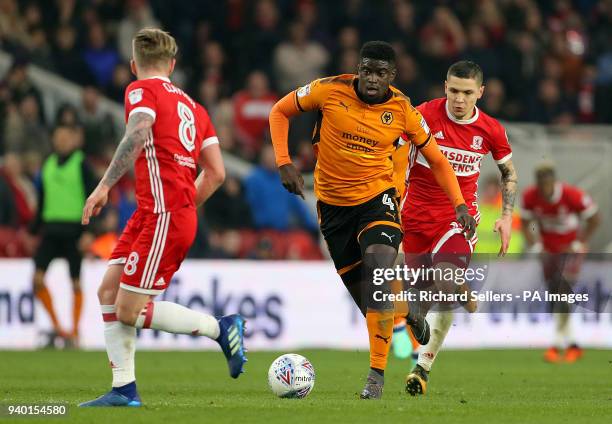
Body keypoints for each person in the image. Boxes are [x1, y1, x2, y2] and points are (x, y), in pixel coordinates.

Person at [269, 41, 474, 399]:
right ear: (358, 68)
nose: (372, 79)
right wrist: (283, 161)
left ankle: (375, 379)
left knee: (379, 269)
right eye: (367, 70)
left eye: (381, 73)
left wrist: (459, 204)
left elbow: (437, 160)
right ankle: (408, 307)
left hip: (377, 202)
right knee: (372, 303)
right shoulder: (328, 90)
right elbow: (278, 111)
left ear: (392, 76)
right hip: (333, 210)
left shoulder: (404, 110)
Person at [78, 28, 246, 408]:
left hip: (164, 213)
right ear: (172, 64)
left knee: (128, 309)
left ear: (134, 64)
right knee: (108, 290)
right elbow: (217, 173)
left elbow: (137, 133)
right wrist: (186, 205)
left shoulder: (141, 90)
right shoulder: (195, 108)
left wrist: (104, 185)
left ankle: (220, 327)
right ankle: (123, 389)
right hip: (154, 212)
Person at [399, 61, 518, 396]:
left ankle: (422, 368)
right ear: (444, 88)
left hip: (458, 219)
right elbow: (392, 148)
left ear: (481, 92)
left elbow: (509, 173)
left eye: (467, 93)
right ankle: (456, 290)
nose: (459, 99)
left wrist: (506, 215)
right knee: (423, 303)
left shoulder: (491, 129)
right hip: (415, 220)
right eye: (453, 91)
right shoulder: (422, 115)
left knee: (445, 277)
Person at [521, 163, 600, 363]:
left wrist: (579, 242)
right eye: (541, 184)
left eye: (547, 184)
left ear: (554, 182)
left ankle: (557, 345)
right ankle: (572, 344)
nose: (544, 189)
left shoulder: (572, 195)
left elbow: (595, 219)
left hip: (570, 250)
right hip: (549, 252)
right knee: (555, 295)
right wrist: (536, 246)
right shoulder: (530, 196)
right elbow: (524, 222)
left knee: (563, 290)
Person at [30, 124, 96, 347]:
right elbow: (41, 202)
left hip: (74, 231)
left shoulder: (82, 164)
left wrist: (90, 231)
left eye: (66, 137)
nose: (61, 141)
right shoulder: (47, 165)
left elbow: (94, 197)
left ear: (73, 139)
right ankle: (59, 328)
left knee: (76, 283)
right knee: (37, 280)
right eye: (58, 137)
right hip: (50, 230)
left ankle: (75, 333)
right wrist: (32, 230)